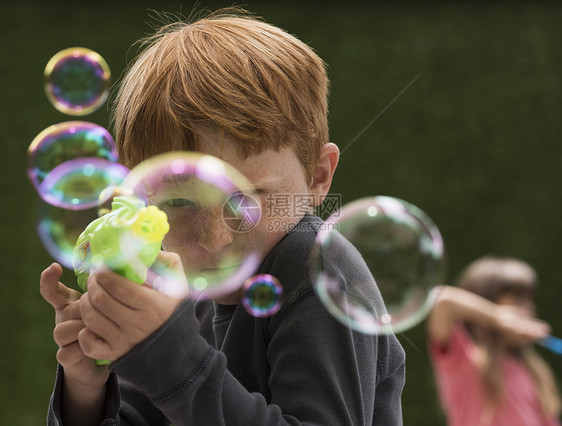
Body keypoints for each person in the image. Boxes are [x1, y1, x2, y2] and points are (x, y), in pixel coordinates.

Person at [40, 8, 406, 425]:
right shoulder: (177, 288)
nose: (215, 238)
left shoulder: (317, 270)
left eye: (246, 198)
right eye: (180, 203)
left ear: (318, 177)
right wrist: (86, 389)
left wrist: (173, 361)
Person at [426, 255, 561, 426]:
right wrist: (499, 317)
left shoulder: (534, 371)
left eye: (530, 300)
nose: (530, 310)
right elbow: (442, 301)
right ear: (486, 301)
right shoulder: (463, 362)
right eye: (518, 300)